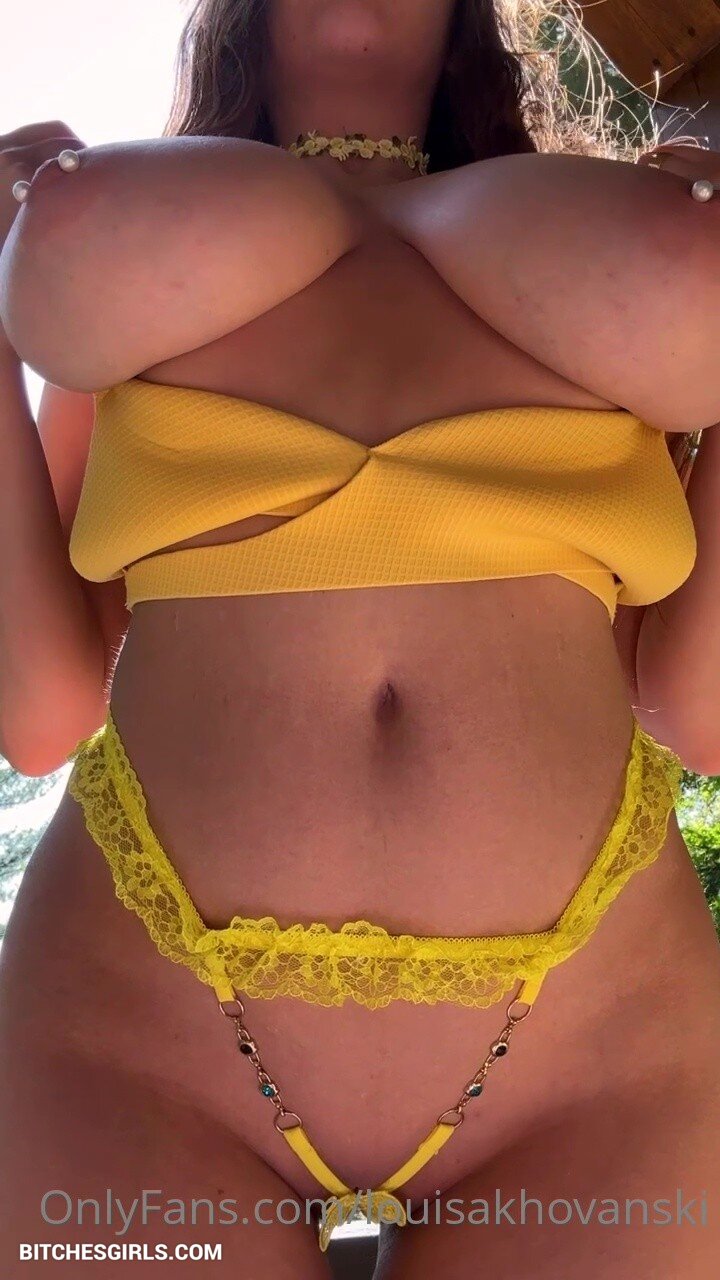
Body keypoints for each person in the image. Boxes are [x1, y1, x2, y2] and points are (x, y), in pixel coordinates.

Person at [0, 1, 719, 1275]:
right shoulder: (129, 321)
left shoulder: (609, 269)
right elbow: (39, 713)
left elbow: (701, 711)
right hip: (138, 1034)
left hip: (594, 1051)